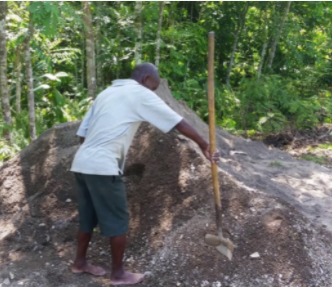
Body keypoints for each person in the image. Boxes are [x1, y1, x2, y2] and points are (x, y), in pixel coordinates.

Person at [69, 63, 220, 286]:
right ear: (146, 78)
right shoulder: (139, 93)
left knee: (87, 217)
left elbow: (83, 134)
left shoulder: (106, 92)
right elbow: (177, 122)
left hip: (82, 163)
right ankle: (118, 274)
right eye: (153, 87)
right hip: (103, 166)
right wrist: (204, 144)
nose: (152, 92)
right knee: (119, 220)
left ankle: (80, 263)